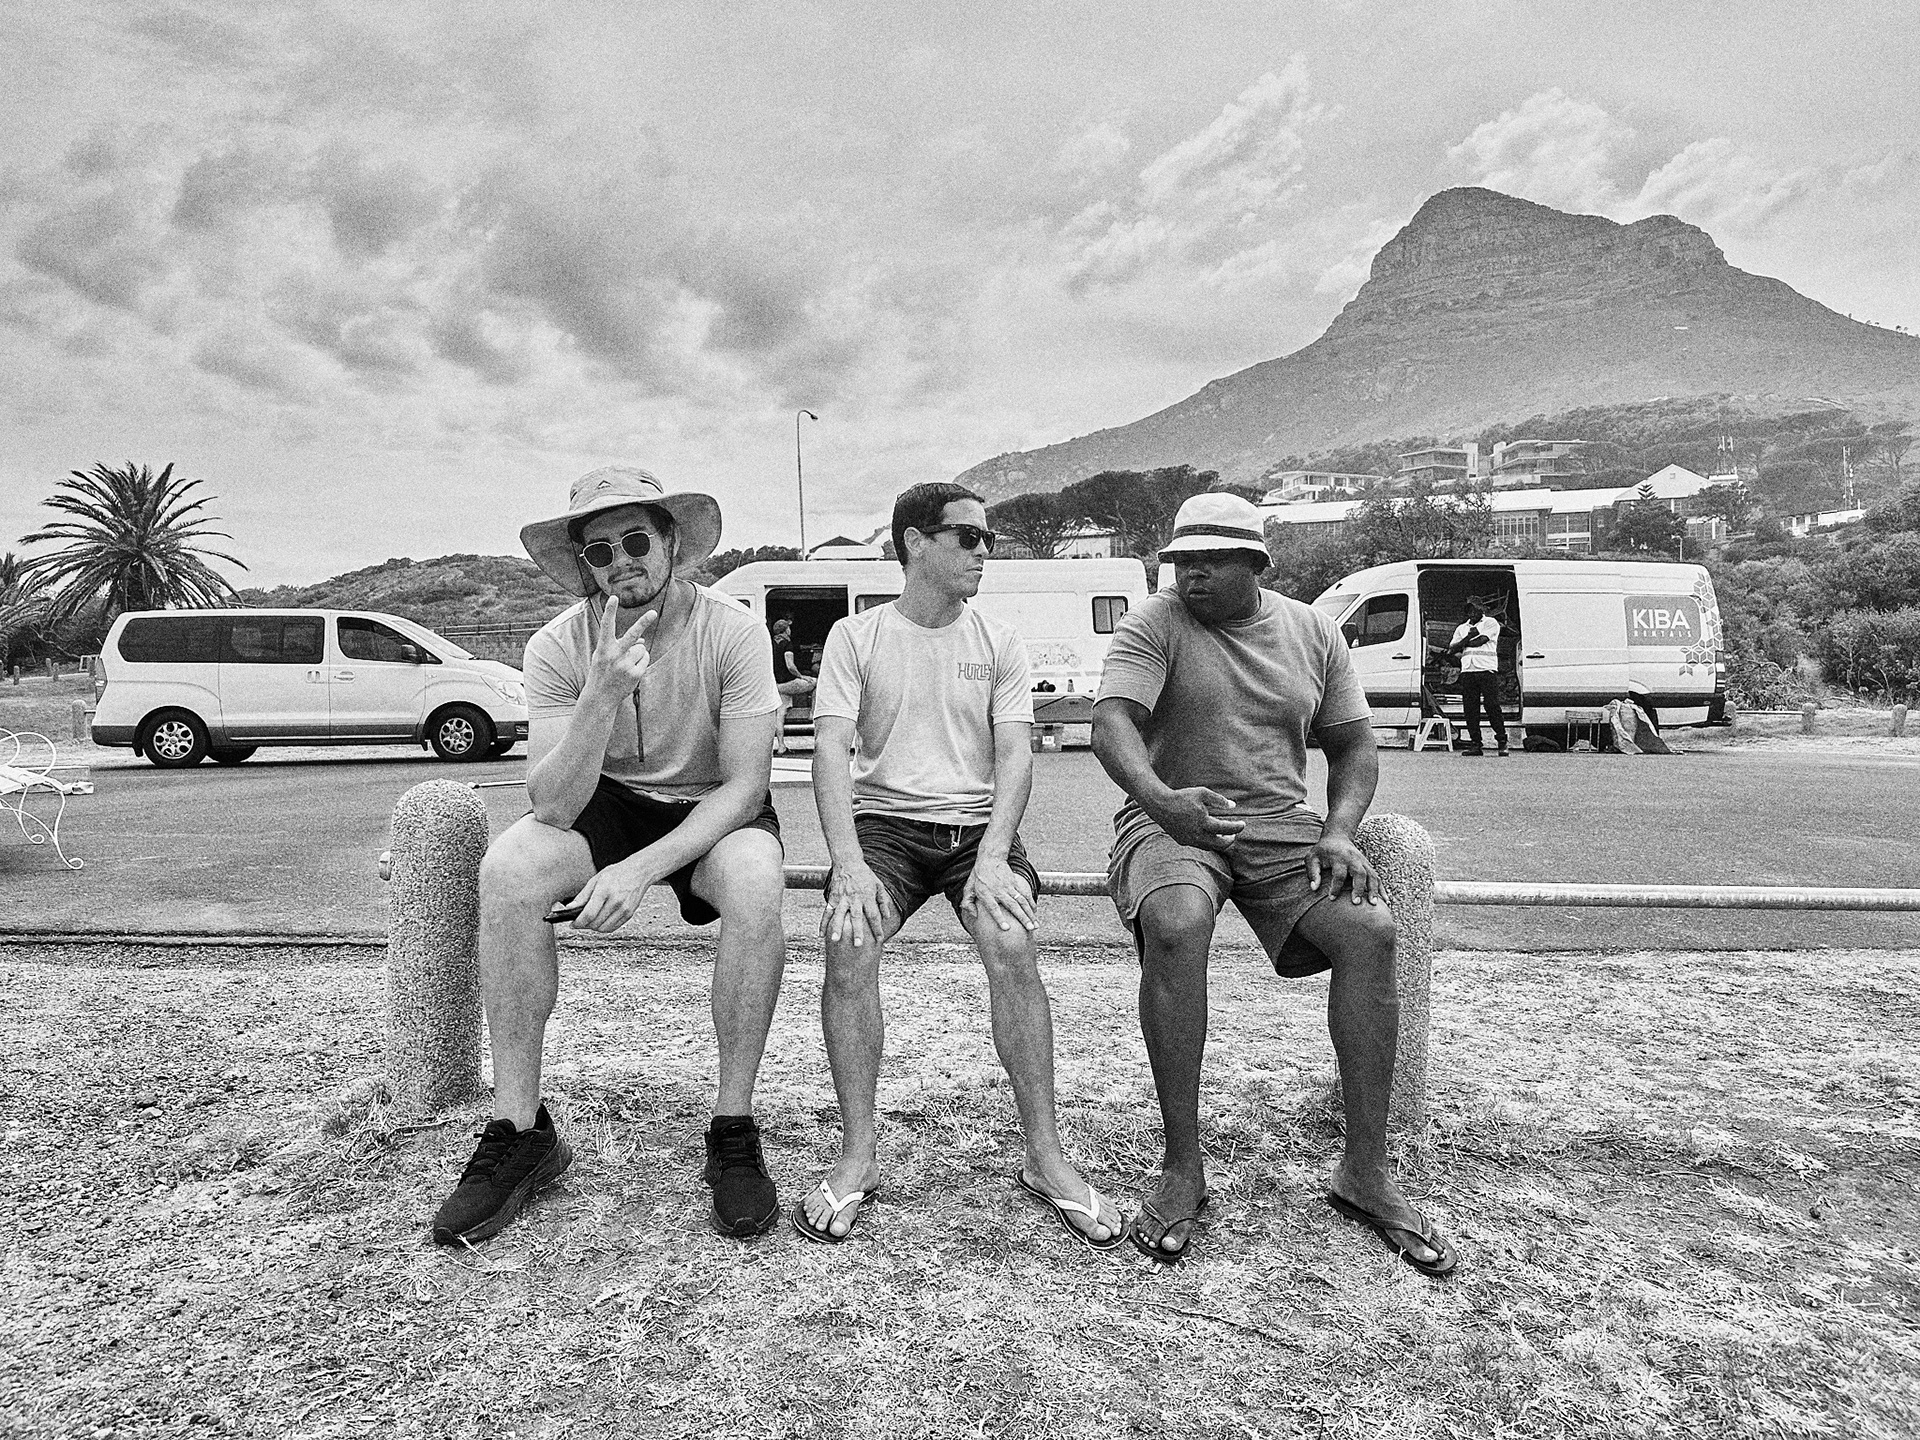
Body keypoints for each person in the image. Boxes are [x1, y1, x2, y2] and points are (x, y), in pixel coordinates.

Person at [1091, 492, 1457, 1276]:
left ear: (1257, 563)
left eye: (1212, 561)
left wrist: (1338, 829)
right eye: (1182, 561)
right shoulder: (1154, 623)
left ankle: (1365, 1171)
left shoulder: (1313, 631)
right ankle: (1182, 1166)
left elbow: (1353, 746)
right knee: (1178, 921)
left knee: (1370, 932)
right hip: (1171, 815)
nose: (1191, 575)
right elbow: (1112, 722)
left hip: (1282, 825)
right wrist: (1160, 798)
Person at [431, 466, 790, 1246]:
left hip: (710, 804)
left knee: (757, 882)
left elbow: (745, 785)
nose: (621, 560)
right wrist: (598, 694)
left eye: (636, 541)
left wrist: (638, 869)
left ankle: (733, 1126)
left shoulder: (733, 631)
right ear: (584, 565)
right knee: (509, 870)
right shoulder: (557, 646)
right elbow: (554, 805)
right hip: (607, 799)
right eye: (600, 551)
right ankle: (520, 1129)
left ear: (671, 544)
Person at [796, 481, 1123, 1249]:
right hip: (886, 827)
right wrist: (847, 863)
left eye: (989, 539)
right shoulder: (857, 637)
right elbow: (830, 751)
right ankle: (858, 1154)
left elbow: (1016, 755)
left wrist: (996, 858)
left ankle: (1046, 1158)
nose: (985, 552)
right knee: (848, 940)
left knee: (1011, 943)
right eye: (969, 538)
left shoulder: (999, 640)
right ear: (915, 542)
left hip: (978, 829)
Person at [1448, 600, 1507, 757]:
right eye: (1469, 611)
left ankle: (1502, 741)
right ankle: (1476, 744)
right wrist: (1468, 637)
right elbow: (1451, 649)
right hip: (1468, 670)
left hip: (1486, 669)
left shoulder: (1491, 623)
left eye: (1475, 610)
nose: (1472, 613)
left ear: (1482, 610)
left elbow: (1480, 641)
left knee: (1492, 705)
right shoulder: (1462, 628)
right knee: (1470, 709)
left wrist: (1463, 643)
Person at [770, 617, 816, 755]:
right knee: (817, 683)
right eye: (789, 628)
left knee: (780, 714)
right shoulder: (787, 644)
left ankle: (781, 746)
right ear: (786, 630)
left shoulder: (770, 643)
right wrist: (801, 676)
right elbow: (790, 665)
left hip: (777, 685)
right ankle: (812, 714)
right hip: (789, 683)